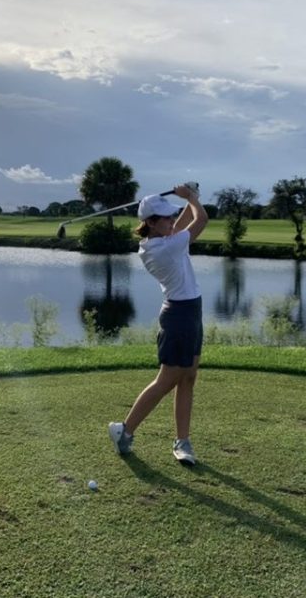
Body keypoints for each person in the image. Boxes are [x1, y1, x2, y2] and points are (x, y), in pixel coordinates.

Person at [109, 183, 208, 465]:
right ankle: (124, 431)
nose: (171, 220)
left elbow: (181, 224)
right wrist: (191, 198)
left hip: (190, 311)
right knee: (167, 381)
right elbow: (201, 219)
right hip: (179, 316)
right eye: (166, 217)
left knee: (188, 377)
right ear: (151, 223)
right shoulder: (163, 248)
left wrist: (189, 200)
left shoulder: (164, 239)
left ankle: (182, 441)